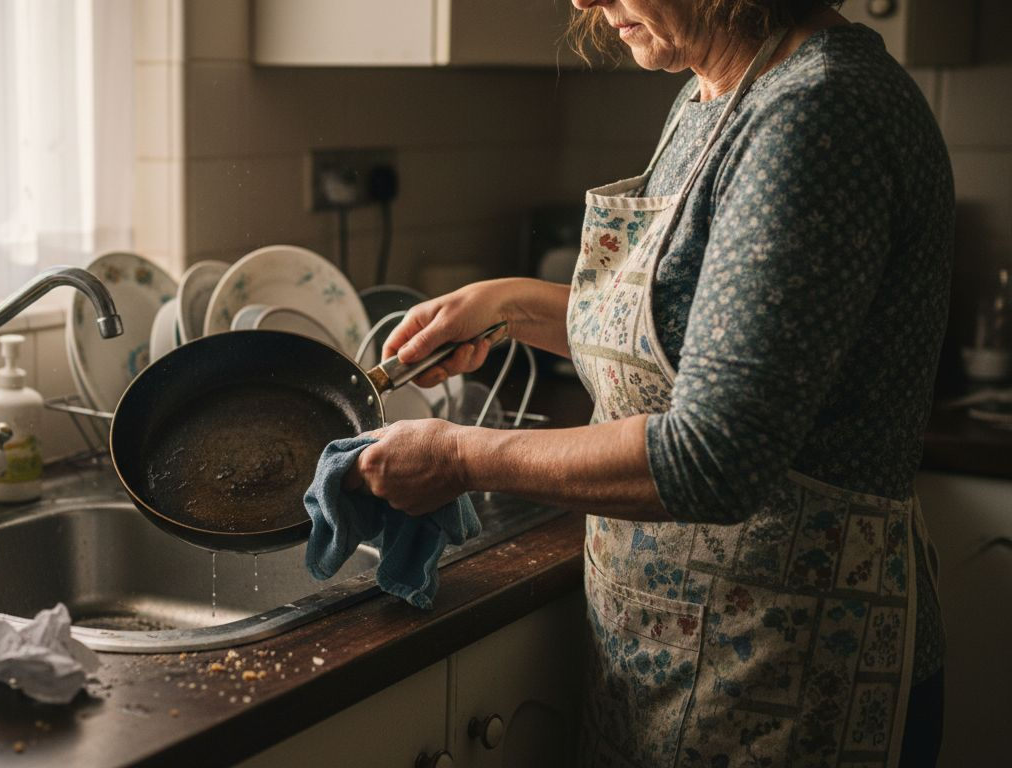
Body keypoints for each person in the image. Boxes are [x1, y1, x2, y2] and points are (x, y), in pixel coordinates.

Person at [345, 1, 951, 765]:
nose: (582, 2)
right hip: (679, 658)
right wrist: (510, 306)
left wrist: (458, 459)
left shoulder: (818, 112)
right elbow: (705, 341)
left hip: (793, 675)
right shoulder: (717, 91)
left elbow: (714, 455)